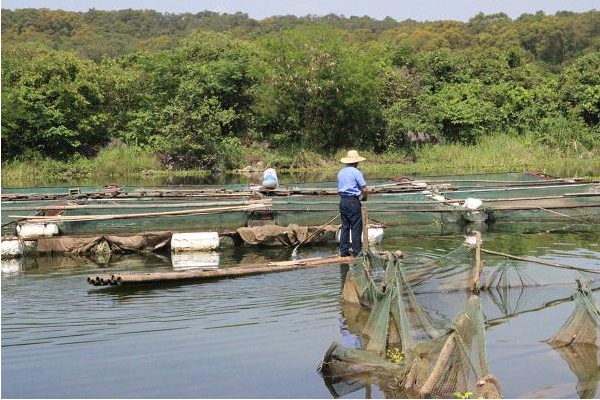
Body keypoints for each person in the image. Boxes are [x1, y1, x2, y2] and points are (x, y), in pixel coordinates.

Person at [337, 150, 368, 257]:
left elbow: (340, 190)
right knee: (356, 226)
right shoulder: (356, 172)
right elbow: (363, 188)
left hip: (343, 201)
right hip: (353, 201)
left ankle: (343, 250)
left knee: (345, 225)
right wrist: (365, 197)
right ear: (356, 162)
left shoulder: (341, 172)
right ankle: (357, 251)